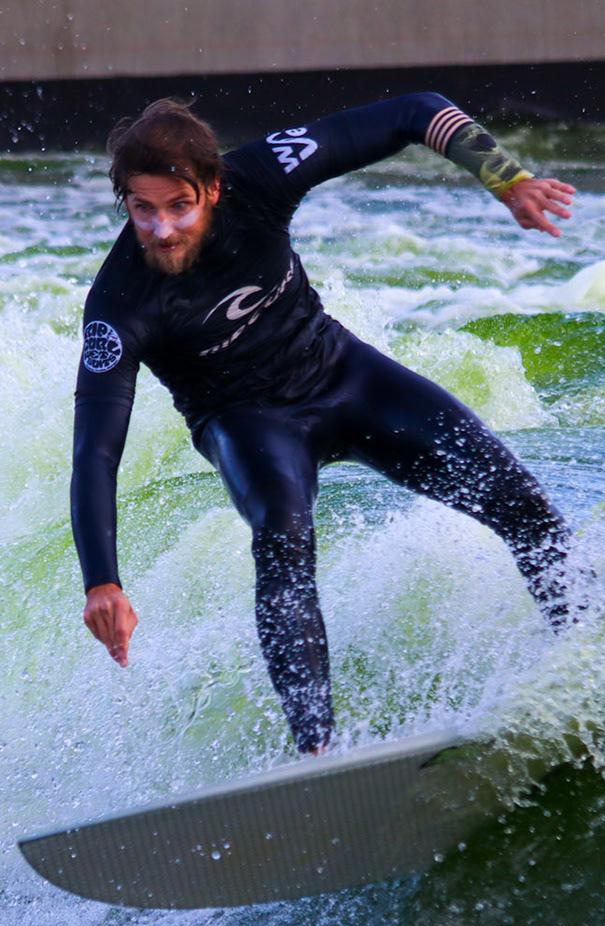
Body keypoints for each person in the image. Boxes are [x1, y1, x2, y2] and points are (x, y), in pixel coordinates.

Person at [70, 94, 577, 755]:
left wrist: (507, 179)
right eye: (143, 209)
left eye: (179, 206)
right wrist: (102, 582)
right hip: (245, 422)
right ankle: (318, 754)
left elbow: (415, 111)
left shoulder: (259, 177)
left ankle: (589, 651)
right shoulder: (119, 305)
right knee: (282, 533)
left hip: (343, 376)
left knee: (519, 499)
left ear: (214, 188)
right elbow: (95, 453)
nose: (162, 229)